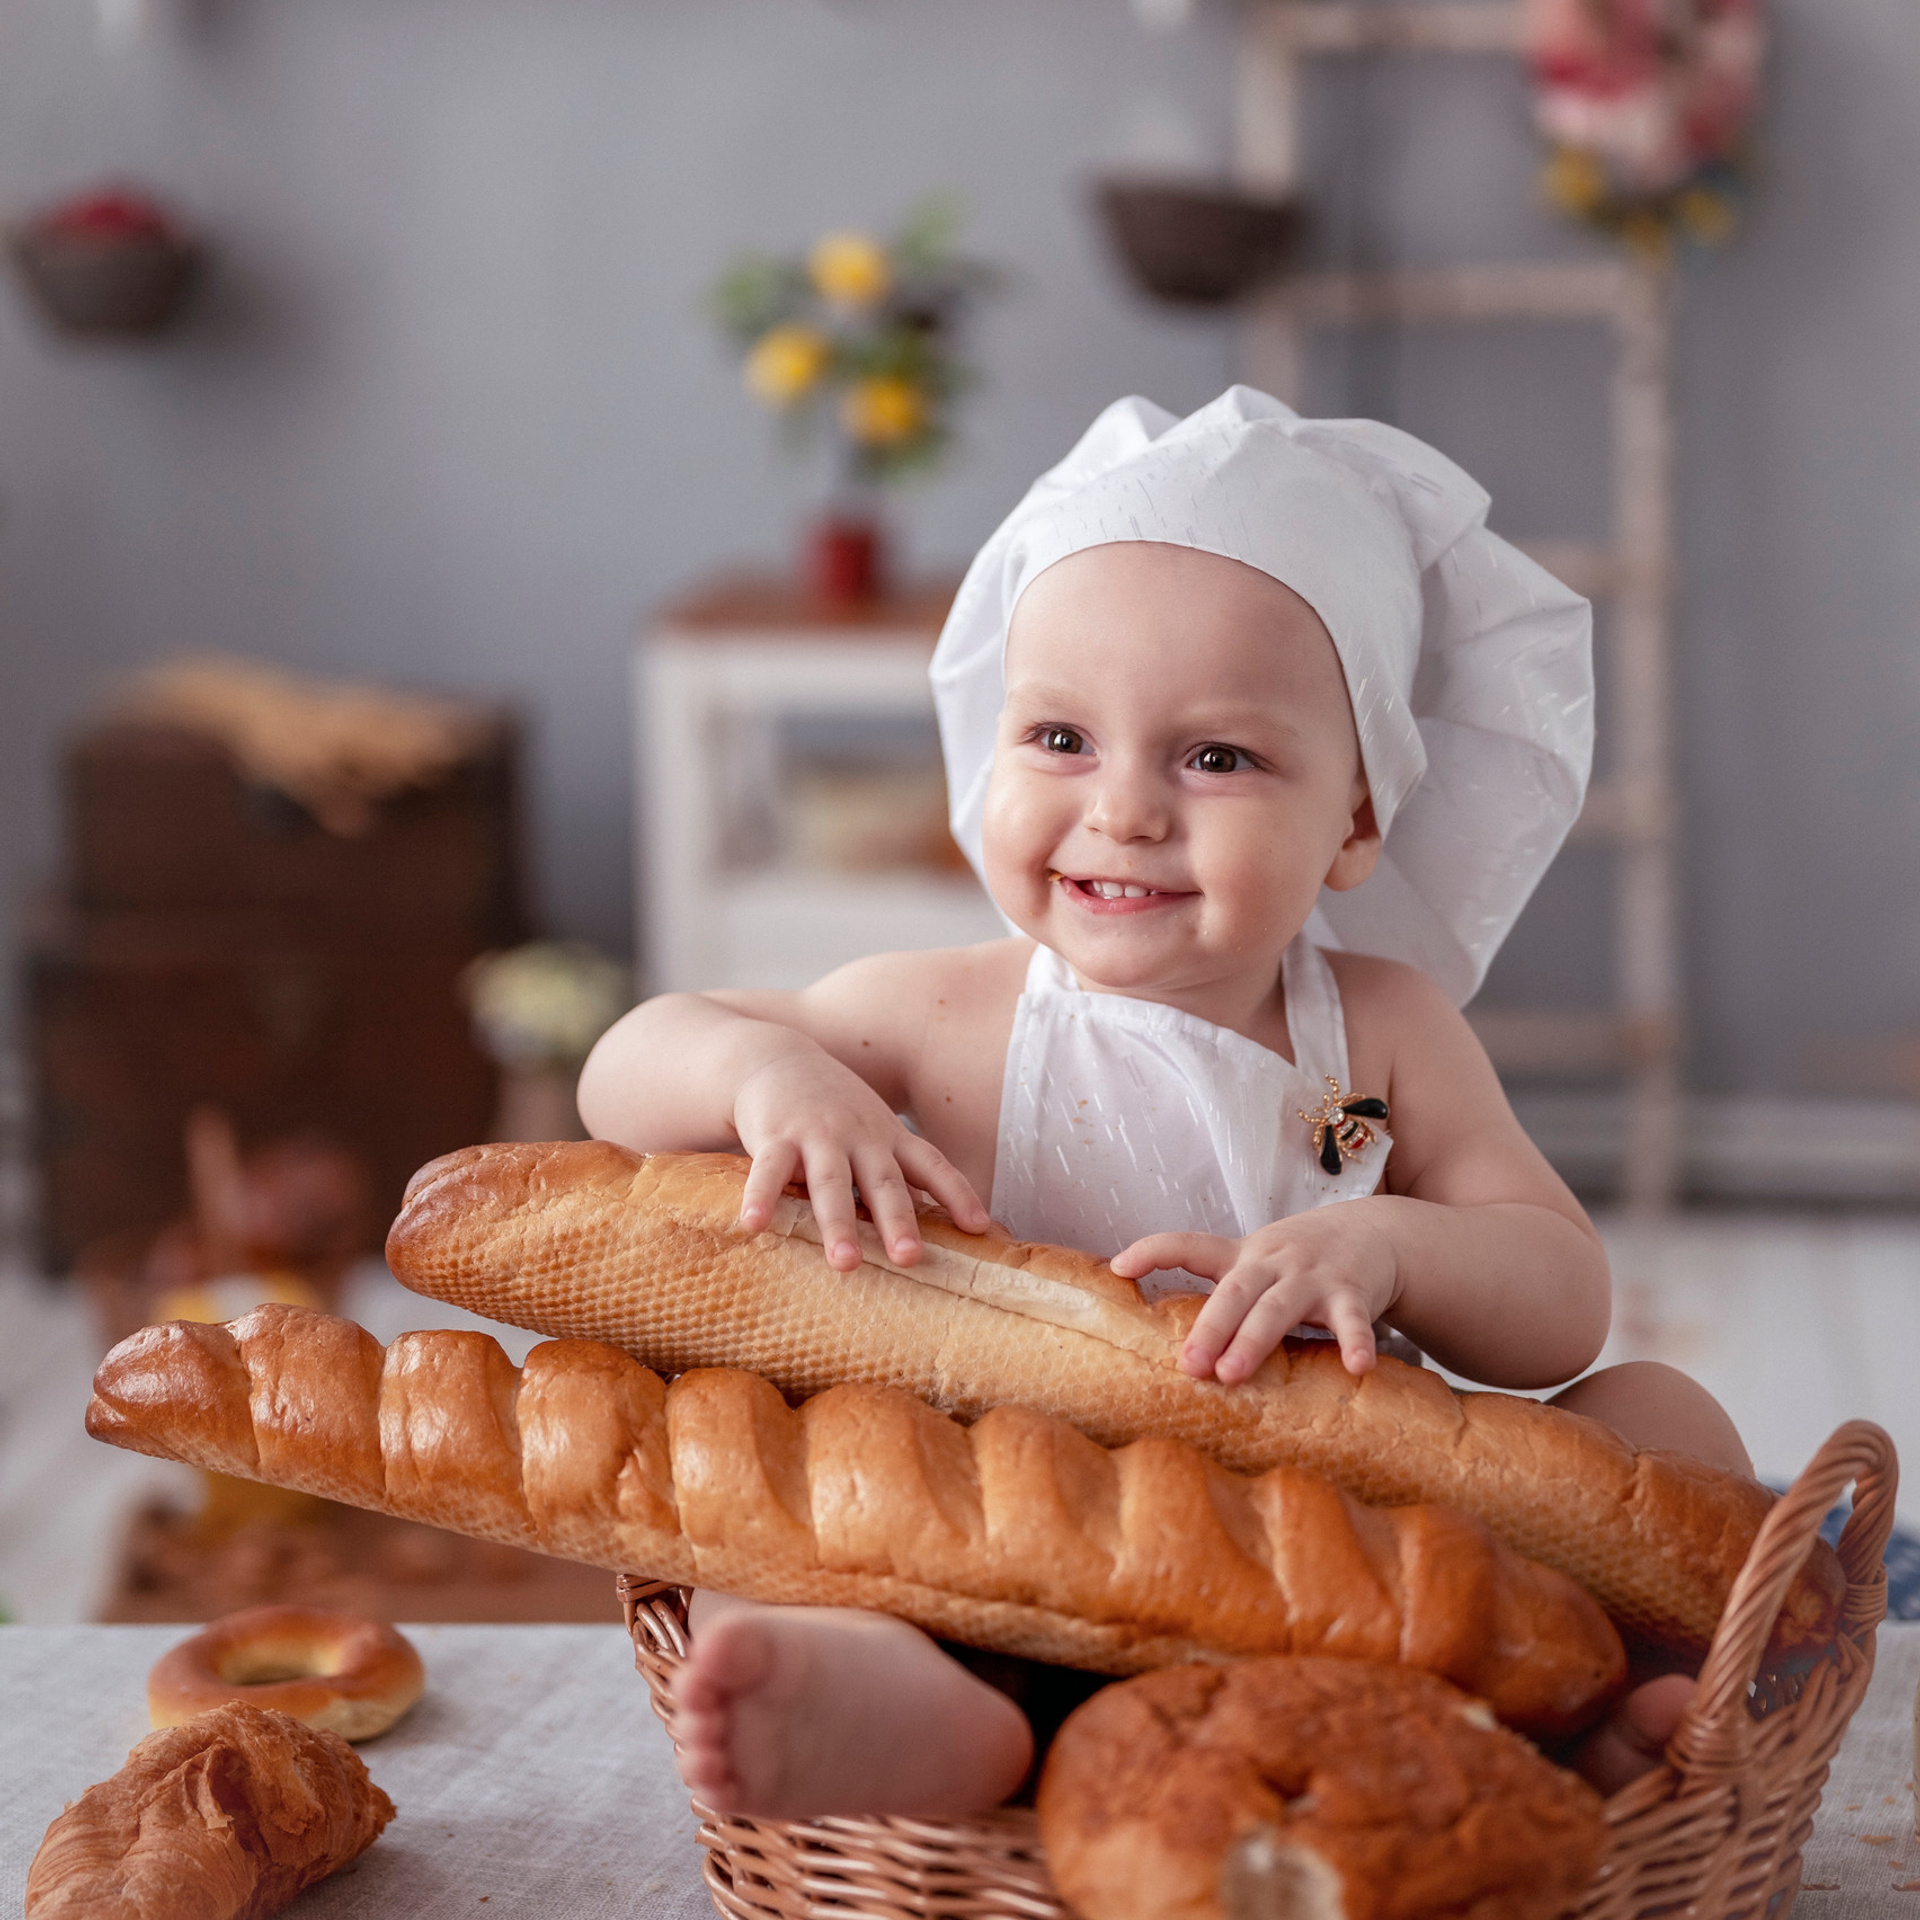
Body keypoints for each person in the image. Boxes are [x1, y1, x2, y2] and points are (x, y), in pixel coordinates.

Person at [578, 386, 1749, 1817]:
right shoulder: (945, 1013)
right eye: (1060, 739)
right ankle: (925, 1724)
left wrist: (1390, 1247)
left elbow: (1562, 1295)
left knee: (1662, 1415)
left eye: (1216, 758)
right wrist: (770, 1075)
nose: (1123, 809)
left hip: (1355, 1571)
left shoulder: (1375, 1041)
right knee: (761, 1507)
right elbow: (626, 1067)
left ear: (1359, 820)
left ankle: (1588, 1721)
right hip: (1009, 1568)